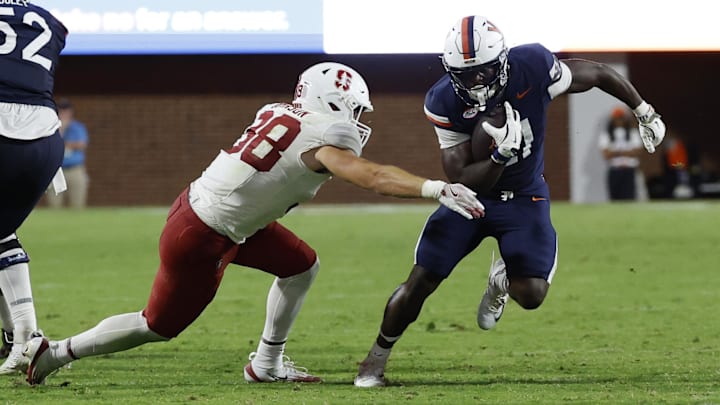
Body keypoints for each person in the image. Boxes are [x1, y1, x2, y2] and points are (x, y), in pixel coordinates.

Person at [23, 61, 485, 385]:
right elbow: (373, 176)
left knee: (302, 265)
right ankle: (58, 352)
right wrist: (434, 188)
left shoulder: (277, 110)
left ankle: (267, 363)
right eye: (353, 109)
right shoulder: (324, 136)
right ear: (333, 102)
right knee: (157, 325)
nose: (357, 121)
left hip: (219, 215)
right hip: (203, 235)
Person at [354, 15, 666, 387]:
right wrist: (499, 156)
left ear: (502, 61)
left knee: (532, 295)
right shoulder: (442, 98)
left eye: (483, 71)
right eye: (466, 74)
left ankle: (501, 278)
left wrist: (643, 110)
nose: (476, 82)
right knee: (421, 280)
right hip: (469, 198)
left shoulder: (532, 66)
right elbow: (459, 175)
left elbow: (596, 73)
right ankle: (374, 361)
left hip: (523, 197)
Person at [0, 3, 68, 375]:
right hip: (44, 134)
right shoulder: (48, 18)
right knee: (1, 232)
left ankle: (21, 332)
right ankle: (20, 335)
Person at [45, 98, 90, 209]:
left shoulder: (77, 127)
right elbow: (49, 144)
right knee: (54, 205)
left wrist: (65, 144)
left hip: (75, 169)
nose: (64, 113)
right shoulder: (51, 126)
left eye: (66, 110)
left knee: (77, 205)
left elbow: (82, 144)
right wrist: (61, 130)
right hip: (56, 169)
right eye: (61, 110)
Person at [598, 106, 643, 201]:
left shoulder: (632, 133)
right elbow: (606, 154)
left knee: (629, 198)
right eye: (617, 118)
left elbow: (637, 151)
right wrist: (625, 152)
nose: (619, 120)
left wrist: (616, 152)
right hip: (615, 171)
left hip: (629, 170)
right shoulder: (607, 134)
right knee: (615, 198)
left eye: (621, 118)